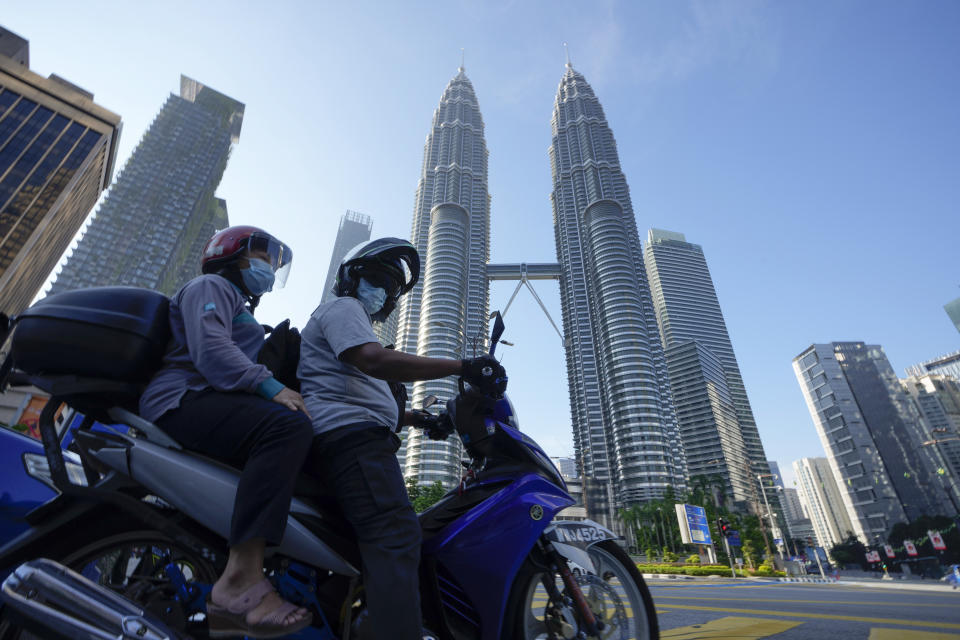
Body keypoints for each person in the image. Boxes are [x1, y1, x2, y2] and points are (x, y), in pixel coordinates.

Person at [298, 238, 506, 640]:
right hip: (353, 441)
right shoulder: (344, 309)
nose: (381, 291)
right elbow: (375, 363)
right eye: (375, 278)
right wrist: (463, 366)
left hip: (360, 438)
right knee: (397, 535)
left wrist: (422, 419)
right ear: (350, 279)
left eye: (390, 287)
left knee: (374, 541)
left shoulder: (354, 326)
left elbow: (366, 395)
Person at [139, 225, 314, 638]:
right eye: (263, 257)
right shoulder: (211, 286)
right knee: (286, 428)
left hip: (205, 399)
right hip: (180, 398)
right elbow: (212, 351)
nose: (269, 268)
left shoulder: (238, 303)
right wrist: (273, 388)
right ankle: (241, 579)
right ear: (232, 254)